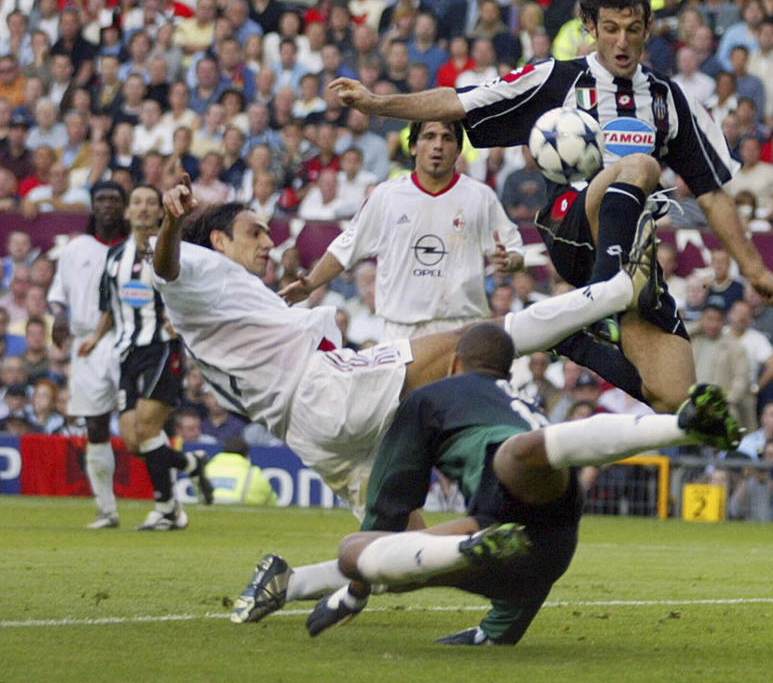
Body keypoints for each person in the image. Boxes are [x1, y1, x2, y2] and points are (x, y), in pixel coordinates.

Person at [330, 0, 773, 414]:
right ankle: (602, 295)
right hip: (570, 225)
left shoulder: (669, 99)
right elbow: (458, 101)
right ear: (589, 28)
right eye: (610, 29)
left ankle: (572, 336)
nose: (622, 41)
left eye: (633, 29)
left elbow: (712, 193)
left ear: (648, 28)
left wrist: (755, 270)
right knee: (641, 165)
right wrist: (378, 104)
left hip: (633, 252)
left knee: (673, 393)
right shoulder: (556, 78)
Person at [154, 174, 656, 516]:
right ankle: (614, 290)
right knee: (474, 340)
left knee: (391, 542)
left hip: (308, 433)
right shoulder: (201, 267)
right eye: (254, 232)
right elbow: (166, 268)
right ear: (219, 241)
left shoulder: (223, 308)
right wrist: (172, 223)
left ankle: (313, 584)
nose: (267, 241)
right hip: (326, 388)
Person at [241, 325, 740, 643]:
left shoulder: (432, 398)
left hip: (512, 495)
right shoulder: (522, 401)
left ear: (455, 363)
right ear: (508, 369)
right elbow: (536, 568)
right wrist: (497, 633)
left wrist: (354, 592)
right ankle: (682, 426)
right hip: (550, 543)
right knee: (523, 454)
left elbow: (391, 505)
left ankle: (684, 425)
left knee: (359, 548)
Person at [280, 120, 525, 340]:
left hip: (461, 329)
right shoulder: (386, 196)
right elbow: (345, 249)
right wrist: (310, 284)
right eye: (429, 137)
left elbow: (513, 249)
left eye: (447, 138)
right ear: (413, 147)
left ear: (458, 149)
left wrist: (511, 259)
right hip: (401, 332)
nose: (438, 146)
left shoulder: (481, 197)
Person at [78, 184, 214, 531]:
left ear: (160, 211)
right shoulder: (114, 259)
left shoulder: (170, 252)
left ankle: (167, 508)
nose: (141, 208)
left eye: (149, 203)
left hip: (161, 348)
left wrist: (180, 321)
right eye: (136, 202)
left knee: (147, 427)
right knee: (134, 442)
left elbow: (193, 293)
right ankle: (189, 463)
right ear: (128, 211)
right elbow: (110, 306)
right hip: (126, 351)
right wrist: (95, 337)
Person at [47, 182, 127, 529]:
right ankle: (106, 508)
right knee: (95, 424)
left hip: (128, 339)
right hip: (85, 343)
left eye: (114, 199)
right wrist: (60, 316)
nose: (107, 205)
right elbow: (58, 293)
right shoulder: (75, 248)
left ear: (123, 206)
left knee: (139, 424)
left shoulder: (134, 248)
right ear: (93, 207)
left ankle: (167, 497)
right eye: (101, 200)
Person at [205, 436, 279, 505]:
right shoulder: (253, 473)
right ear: (247, 455)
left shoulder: (207, 468)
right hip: (239, 516)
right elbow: (271, 501)